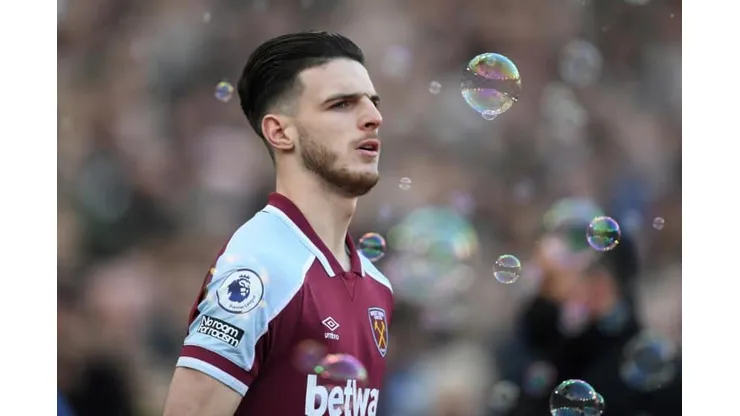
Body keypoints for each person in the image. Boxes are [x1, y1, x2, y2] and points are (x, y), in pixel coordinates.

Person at [163, 31, 393, 416]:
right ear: (280, 132)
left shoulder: (377, 286)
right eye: (341, 104)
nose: (374, 118)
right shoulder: (260, 267)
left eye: (373, 102)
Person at [496, 231, 681, 415]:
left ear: (599, 287)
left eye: (551, 282)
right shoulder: (549, 354)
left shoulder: (644, 376)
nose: (542, 294)